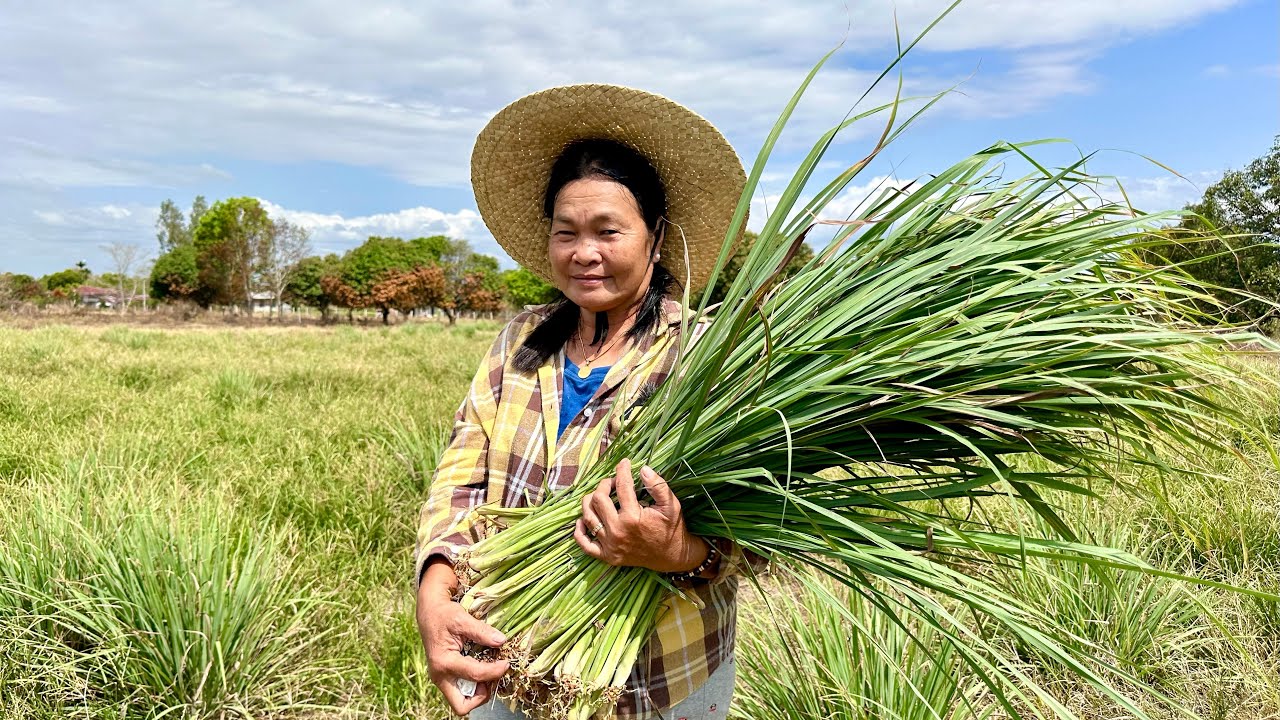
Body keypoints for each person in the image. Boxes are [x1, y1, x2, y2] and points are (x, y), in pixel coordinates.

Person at [414, 84, 757, 720]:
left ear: (655, 240)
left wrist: (677, 553)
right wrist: (435, 592)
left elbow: (758, 528)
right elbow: (460, 475)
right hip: (502, 659)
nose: (584, 252)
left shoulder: (706, 357)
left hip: (660, 681)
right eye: (565, 232)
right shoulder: (520, 338)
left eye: (609, 231)